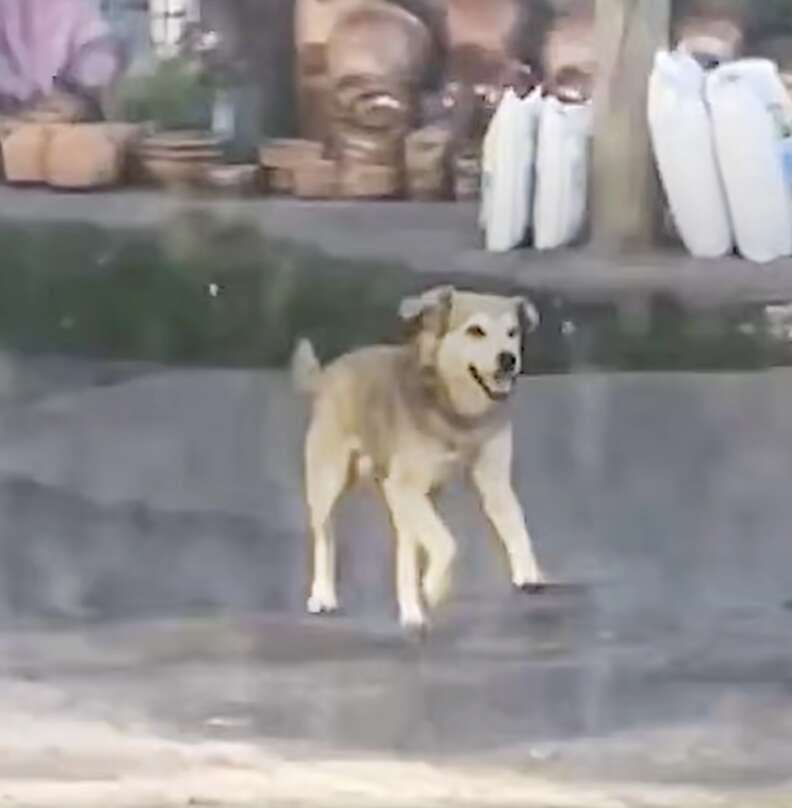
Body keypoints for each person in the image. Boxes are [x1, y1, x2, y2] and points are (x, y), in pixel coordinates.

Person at [0, 0, 124, 122]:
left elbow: (96, 48)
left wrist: (81, 96)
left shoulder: (73, 6)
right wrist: (26, 96)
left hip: (68, 112)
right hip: (10, 112)